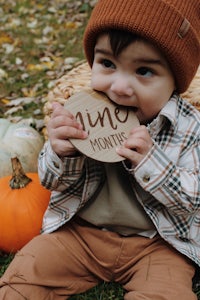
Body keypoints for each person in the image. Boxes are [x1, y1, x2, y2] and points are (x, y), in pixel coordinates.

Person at [0, 0, 199, 299]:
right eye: (107, 63)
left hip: (158, 244)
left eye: (144, 70)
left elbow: (193, 199)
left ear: (175, 83)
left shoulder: (189, 127)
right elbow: (50, 181)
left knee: (168, 293)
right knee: (23, 276)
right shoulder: (79, 113)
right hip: (79, 234)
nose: (119, 87)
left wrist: (151, 162)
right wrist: (60, 152)